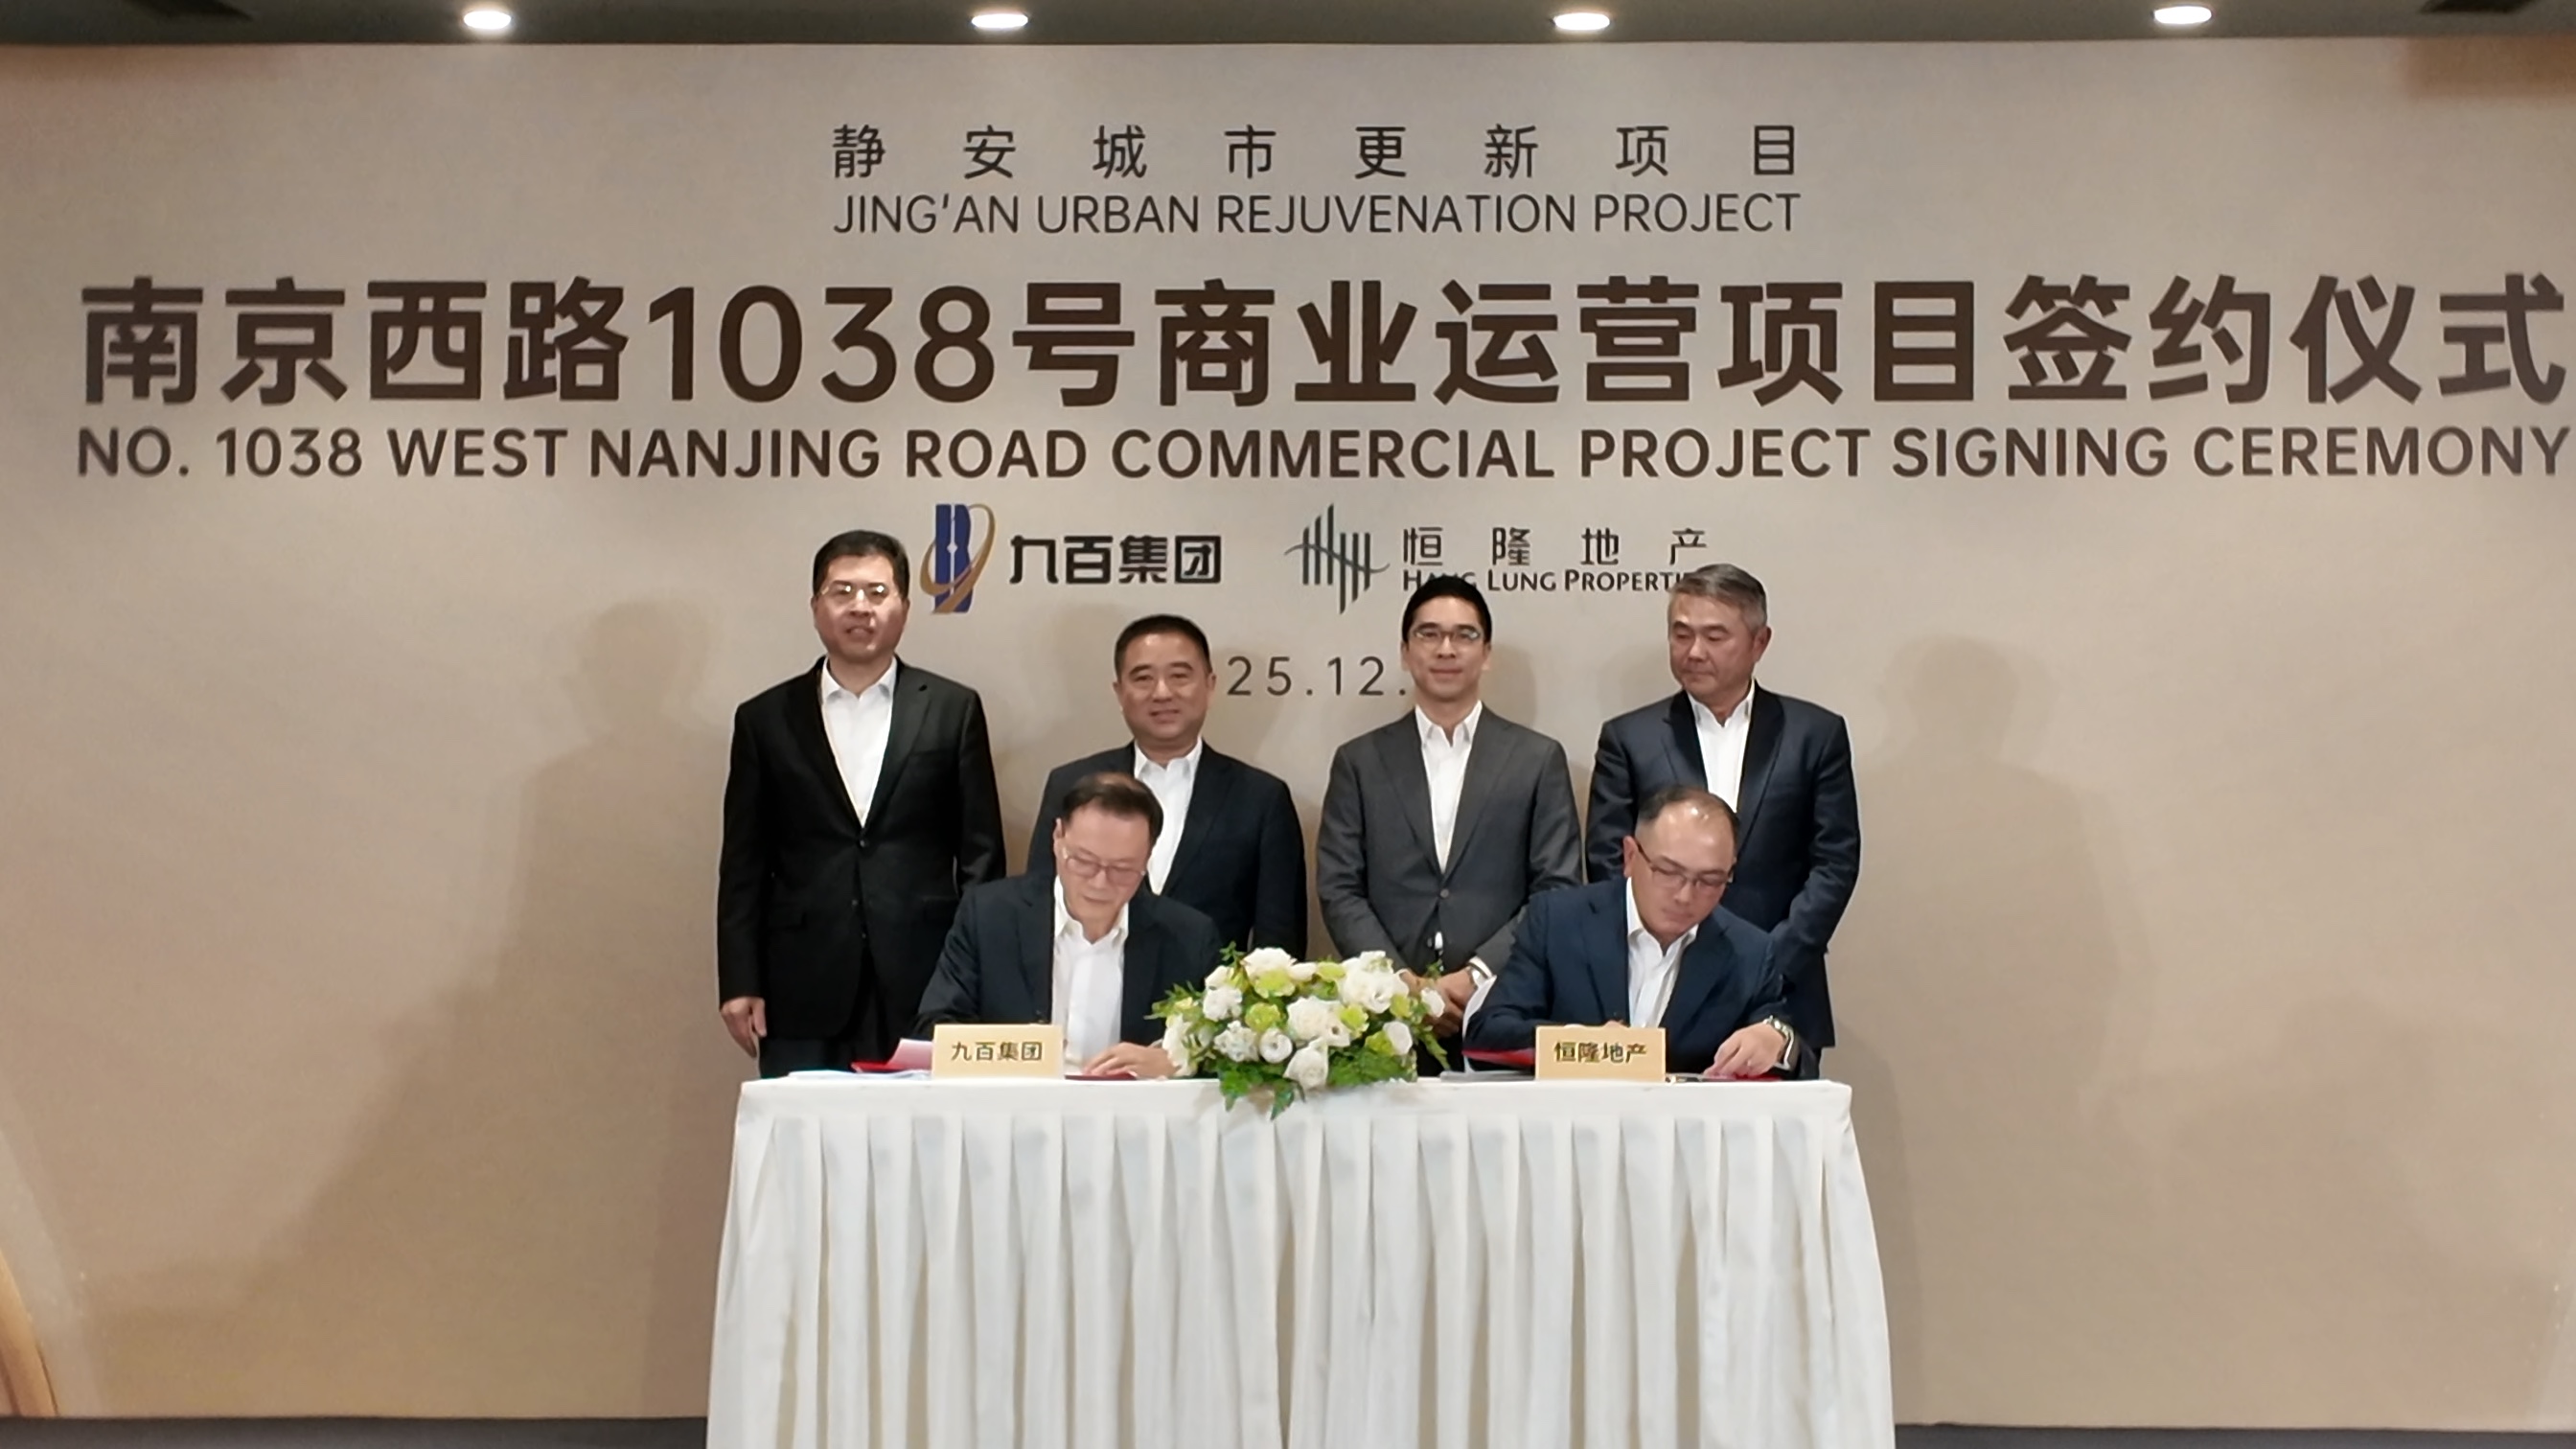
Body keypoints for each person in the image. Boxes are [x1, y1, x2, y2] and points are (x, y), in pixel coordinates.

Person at [715, 529, 1005, 1075]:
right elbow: (744, 864)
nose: (859, 607)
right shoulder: (764, 718)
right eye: (842, 591)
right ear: (816, 607)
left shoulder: (953, 708)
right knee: (807, 1127)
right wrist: (739, 979)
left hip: (927, 977)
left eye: (877, 592)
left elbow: (981, 857)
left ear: (905, 608)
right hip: (800, 979)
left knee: (922, 1128)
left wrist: (977, 973)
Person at [1584, 564, 1858, 1077]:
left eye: (1714, 636)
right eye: (1681, 634)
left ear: (1759, 642)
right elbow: (1608, 862)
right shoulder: (1629, 738)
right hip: (1653, 988)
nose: (1694, 651)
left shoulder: (1814, 734)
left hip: (1782, 994)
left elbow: (1834, 864)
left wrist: (1766, 961)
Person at [1316, 575, 1582, 1040]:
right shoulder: (1359, 762)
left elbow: (1556, 888)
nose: (1446, 649)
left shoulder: (1537, 759)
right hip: (1384, 1015)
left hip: (1504, 1005)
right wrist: (1400, 983)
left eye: (1464, 635)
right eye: (1429, 634)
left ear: (1487, 653)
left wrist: (1477, 975)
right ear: (1405, 652)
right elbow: (1339, 888)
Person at [1469, 785, 1797, 1078]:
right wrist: (1582, 1043)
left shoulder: (1749, 952)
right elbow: (1487, 1035)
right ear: (1630, 856)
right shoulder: (1557, 921)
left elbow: (1792, 1052)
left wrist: (1777, 1040)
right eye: (1668, 872)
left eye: (1710, 881)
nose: (1685, 896)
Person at [1025, 614, 1307, 955]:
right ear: (1119, 692)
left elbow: (1279, 942)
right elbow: (1038, 905)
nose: (1162, 692)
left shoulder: (1261, 798)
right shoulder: (1071, 784)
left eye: (1179, 676)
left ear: (1210, 685)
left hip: (1213, 987)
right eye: (1143, 678)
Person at [916, 773, 1220, 1078]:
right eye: (1084, 861)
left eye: (1123, 869)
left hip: (1131, 1107)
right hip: (1015, 1102)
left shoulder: (1189, 937)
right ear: (1058, 837)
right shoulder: (990, 915)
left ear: (1148, 857)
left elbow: (1221, 1051)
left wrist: (1177, 1062)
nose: (1100, 883)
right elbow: (936, 1028)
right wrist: (1022, 1053)